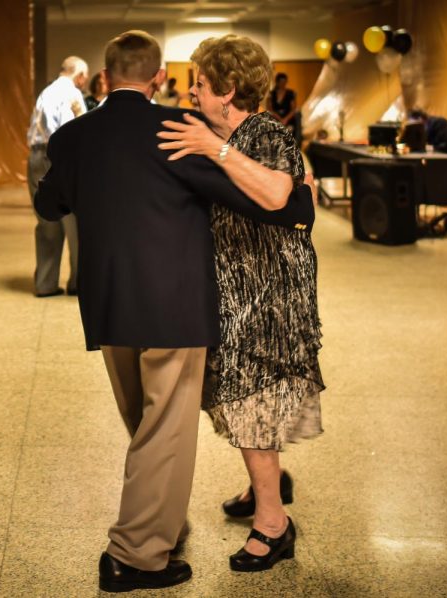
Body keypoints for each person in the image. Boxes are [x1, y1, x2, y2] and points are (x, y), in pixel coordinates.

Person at [34, 30, 313, 592]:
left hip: (108, 304)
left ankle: (156, 521)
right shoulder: (178, 133)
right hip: (174, 306)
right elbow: (264, 201)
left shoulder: (74, 136)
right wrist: (296, 197)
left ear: (105, 78)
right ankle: (134, 555)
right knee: (163, 428)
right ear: (158, 77)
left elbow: (48, 205)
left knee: (142, 421)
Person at [157, 34, 324, 572]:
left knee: (249, 399)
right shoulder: (225, 131)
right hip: (238, 291)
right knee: (244, 399)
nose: (192, 93)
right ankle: (265, 485)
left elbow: (279, 196)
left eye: (200, 84)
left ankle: (274, 525)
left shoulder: (263, 132)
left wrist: (215, 151)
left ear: (228, 90)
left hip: (268, 296)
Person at [26, 55, 88, 297]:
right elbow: (69, 132)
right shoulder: (72, 94)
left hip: (35, 157)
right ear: (80, 76)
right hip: (60, 157)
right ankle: (78, 282)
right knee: (74, 223)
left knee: (46, 224)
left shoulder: (47, 92)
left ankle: (45, 283)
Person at [407, 108, 447, 175]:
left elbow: (445, 146)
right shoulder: (429, 127)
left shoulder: (439, 123)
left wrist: (427, 148)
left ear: (420, 118)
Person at [266, 72, 301, 144]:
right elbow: (270, 109)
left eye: (285, 82)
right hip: (275, 118)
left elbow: (293, 109)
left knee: (289, 136)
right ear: (277, 82)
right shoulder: (271, 93)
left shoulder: (290, 93)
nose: (283, 84)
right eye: (281, 82)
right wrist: (279, 118)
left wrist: (285, 119)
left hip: (288, 119)